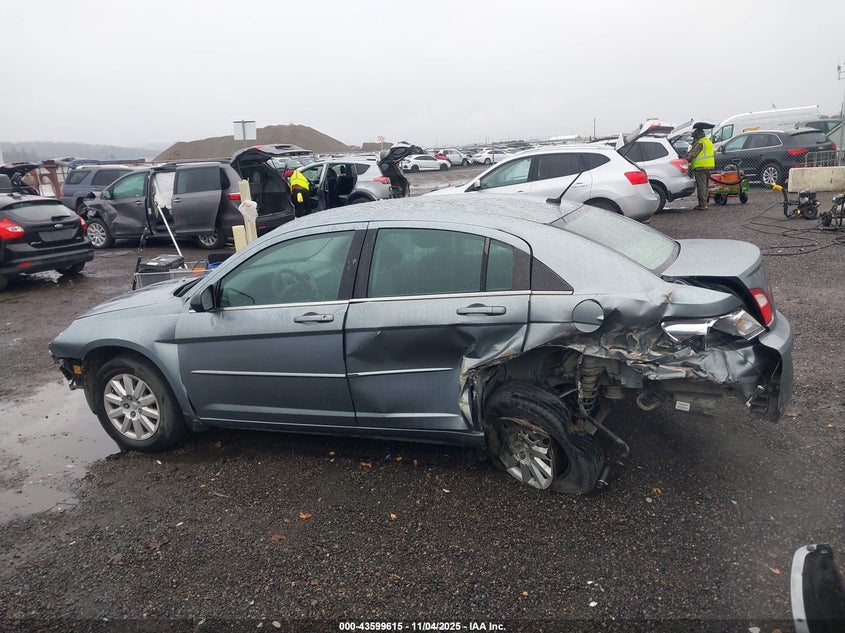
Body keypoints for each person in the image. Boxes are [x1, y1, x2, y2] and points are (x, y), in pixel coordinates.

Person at [684, 127, 715, 210]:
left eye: (694, 137)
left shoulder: (700, 143)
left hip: (701, 167)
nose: (693, 139)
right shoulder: (708, 141)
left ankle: (702, 204)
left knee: (701, 186)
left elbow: (692, 155)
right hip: (709, 166)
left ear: (697, 136)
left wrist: (683, 159)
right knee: (705, 186)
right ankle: (705, 202)